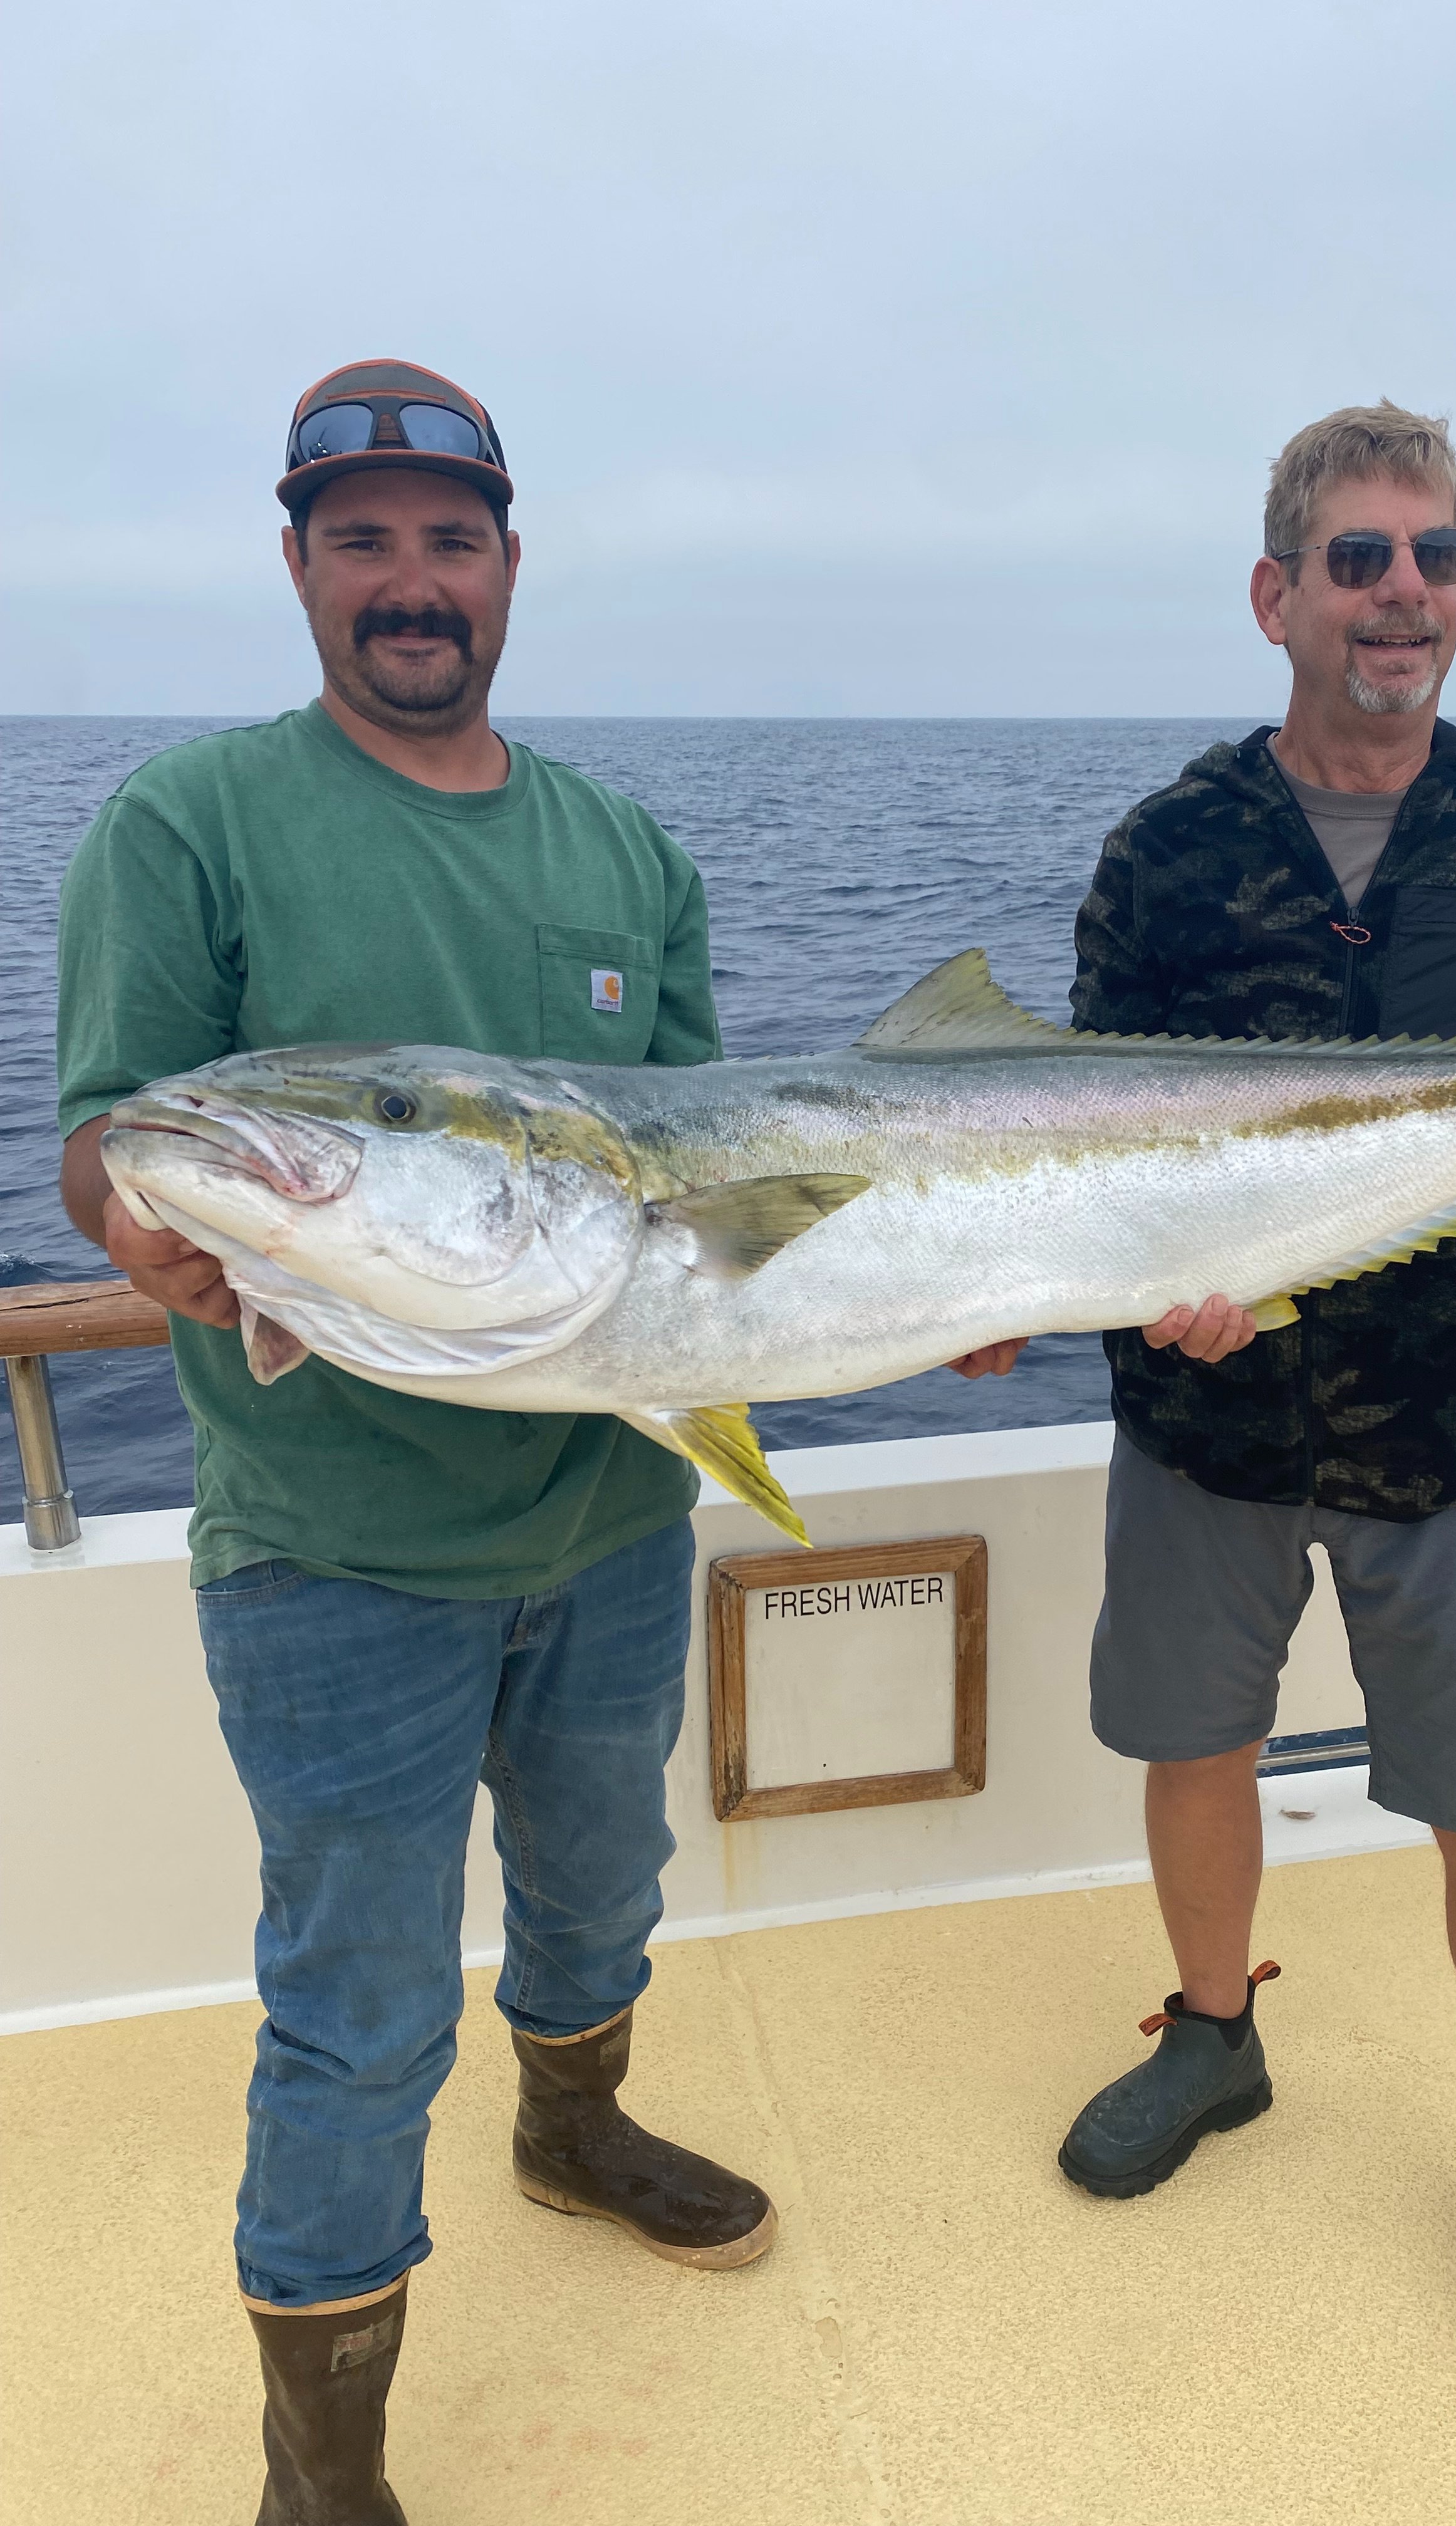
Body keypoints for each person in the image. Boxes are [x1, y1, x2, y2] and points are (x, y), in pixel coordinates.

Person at [56, 360, 775, 2525]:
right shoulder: (188, 820)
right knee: (359, 2007)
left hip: (613, 1506)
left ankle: (574, 2129)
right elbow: (116, 1127)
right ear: (297, 567)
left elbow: (724, 1167)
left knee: (603, 1892)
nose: (408, 582)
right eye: (358, 540)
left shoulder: (619, 849)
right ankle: (327, 2463)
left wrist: (949, 1298)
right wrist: (144, 1223)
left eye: (447, 541)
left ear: (507, 569)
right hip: (329, 1546)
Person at [954, 399, 1456, 2403]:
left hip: (1451, 1423)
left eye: (1440, 555)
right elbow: (1092, 1144)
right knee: (1192, 1746)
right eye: (1364, 558)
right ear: (1276, 592)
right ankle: (1214, 2034)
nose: (1406, 595)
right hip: (1204, 1417)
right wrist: (1144, 1295)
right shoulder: (1170, 851)